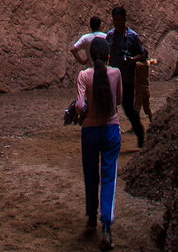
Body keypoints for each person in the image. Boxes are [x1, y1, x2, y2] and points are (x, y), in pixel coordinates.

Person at [75, 35, 122, 249]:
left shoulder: (84, 76)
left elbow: (79, 106)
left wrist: (81, 112)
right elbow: (118, 100)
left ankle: (91, 218)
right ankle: (106, 227)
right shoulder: (116, 73)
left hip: (90, 132)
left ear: (92, 56)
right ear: (108, 55)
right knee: (109, 177)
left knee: (91, 176)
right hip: (111, 129)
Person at [105, 5, 148, 148]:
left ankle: (139, 131)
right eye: (114, 20)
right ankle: (110, 139)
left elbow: (143, 55)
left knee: (128, 108)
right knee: (110, 107)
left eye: (119, 20)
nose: (116, 23)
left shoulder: (132, 36)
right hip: (112, 78)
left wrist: (133, 60)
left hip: (127, 78)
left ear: (124, 19)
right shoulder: (110, 36)